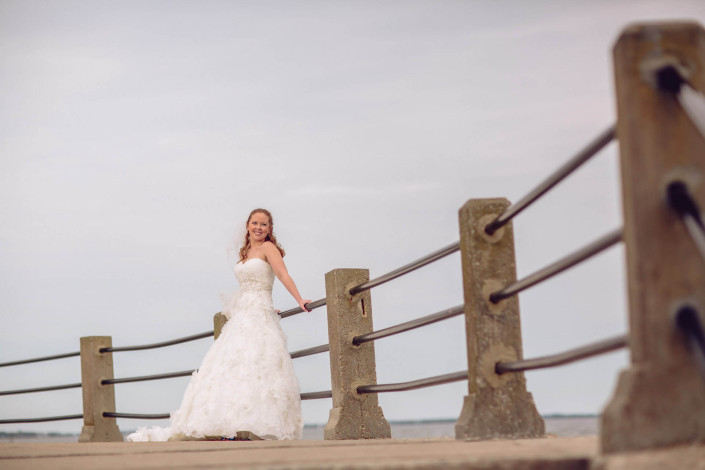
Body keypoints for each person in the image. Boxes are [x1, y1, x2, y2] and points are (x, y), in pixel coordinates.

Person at [128, 208, 310, 441]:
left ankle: (252, 426)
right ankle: (229, 427)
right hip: (243, 315)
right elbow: (248, 284)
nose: (259, 228)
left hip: (259, 315)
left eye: (264, 224)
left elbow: (283, 275)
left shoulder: (268, 248)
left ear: (270, 229)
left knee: (258, 366)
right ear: (247, 225)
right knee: (232, 369)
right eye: (255, 223)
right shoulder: (246, 252)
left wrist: (299, 299)